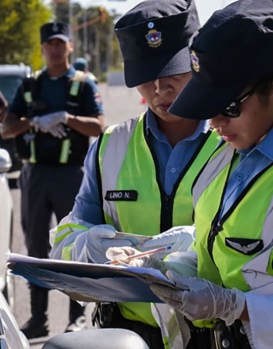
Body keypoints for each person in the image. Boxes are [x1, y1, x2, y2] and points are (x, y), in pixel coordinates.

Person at [48, 1, 222, 348]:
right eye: (146, 77)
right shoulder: (110, 146)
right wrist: (87, 248)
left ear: (198, 60)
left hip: (216, 333)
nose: (160, 90)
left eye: (173, 72)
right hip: (128, 336)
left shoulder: (234, 142)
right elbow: (67, 240)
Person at [121, 1, 273, 348]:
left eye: (229, 106)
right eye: (208, 106)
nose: (216, 122)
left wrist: (237, 306)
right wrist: (185, 255)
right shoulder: (242, 153)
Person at [2, 21, 105, 338]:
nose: (56, 49)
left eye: (61, 43)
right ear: (43, 48)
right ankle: (38, 318)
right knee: (35, 246)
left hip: (70, 176)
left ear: (70, 47)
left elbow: (99, 126)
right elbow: (7, 128)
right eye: (50, 44)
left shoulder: (84, 84)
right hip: (36, 175)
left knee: (72, 242)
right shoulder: (31, 85)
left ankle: (77, 316)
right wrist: (34, 121)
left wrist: (66, 118)